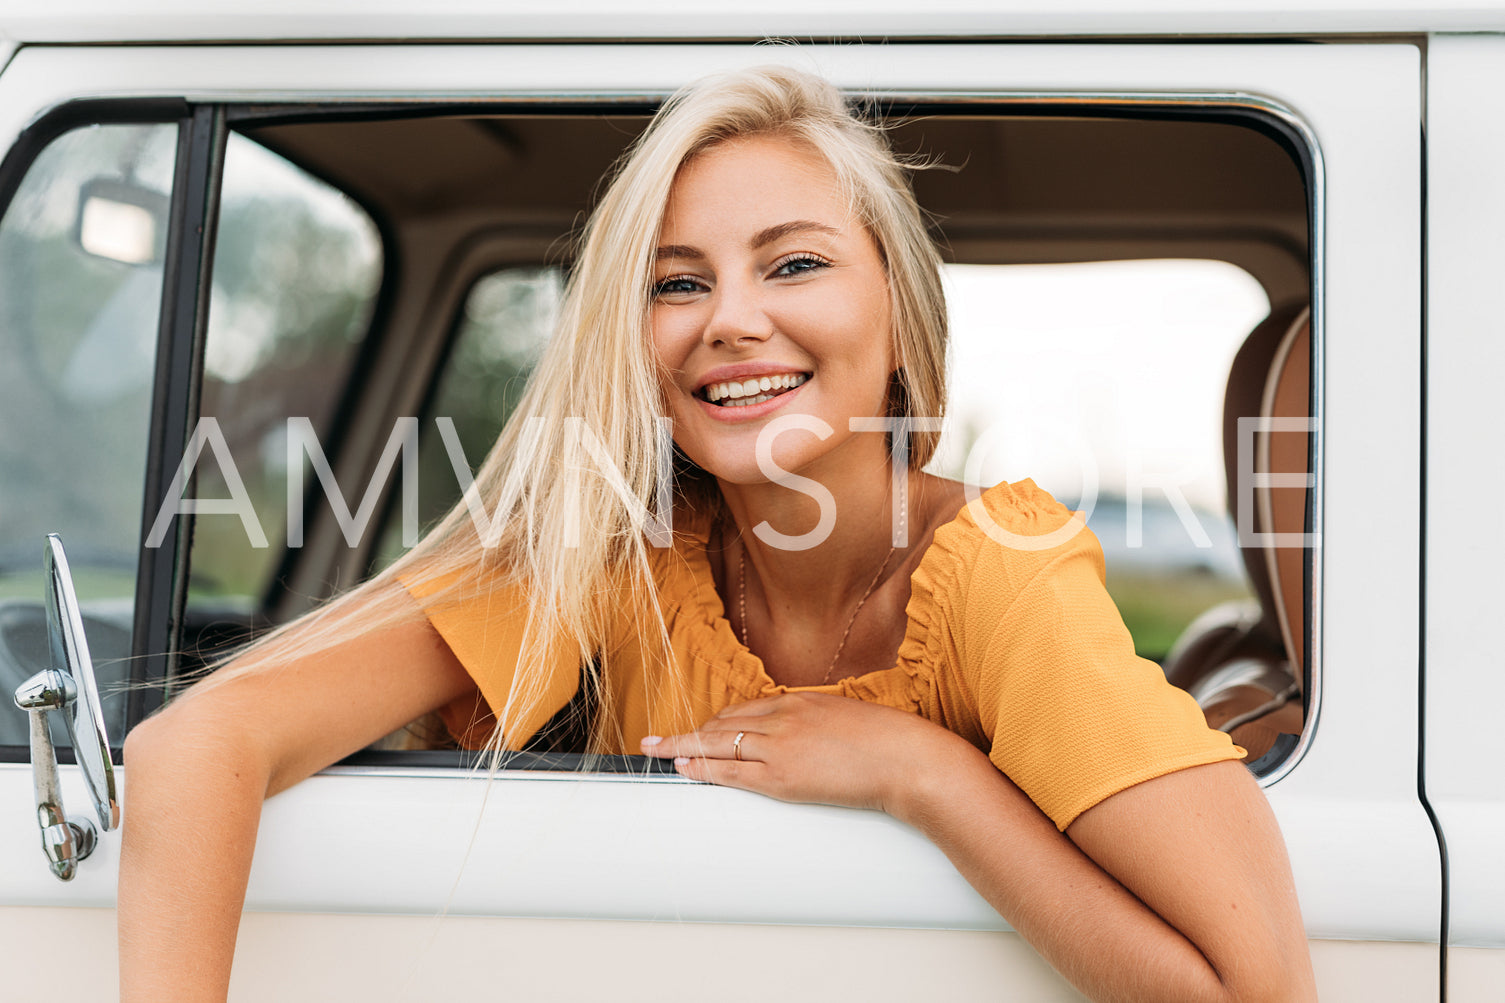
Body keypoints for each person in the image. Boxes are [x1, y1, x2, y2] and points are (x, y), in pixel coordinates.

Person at [119, 65, 1317, 1002]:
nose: (730, 321)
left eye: (792, 263)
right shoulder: (609, 558)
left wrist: (924, 775)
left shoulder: (997, 580)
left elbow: (1254, 982)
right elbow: (198, 747)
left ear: (899, 318)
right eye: (675, 283)